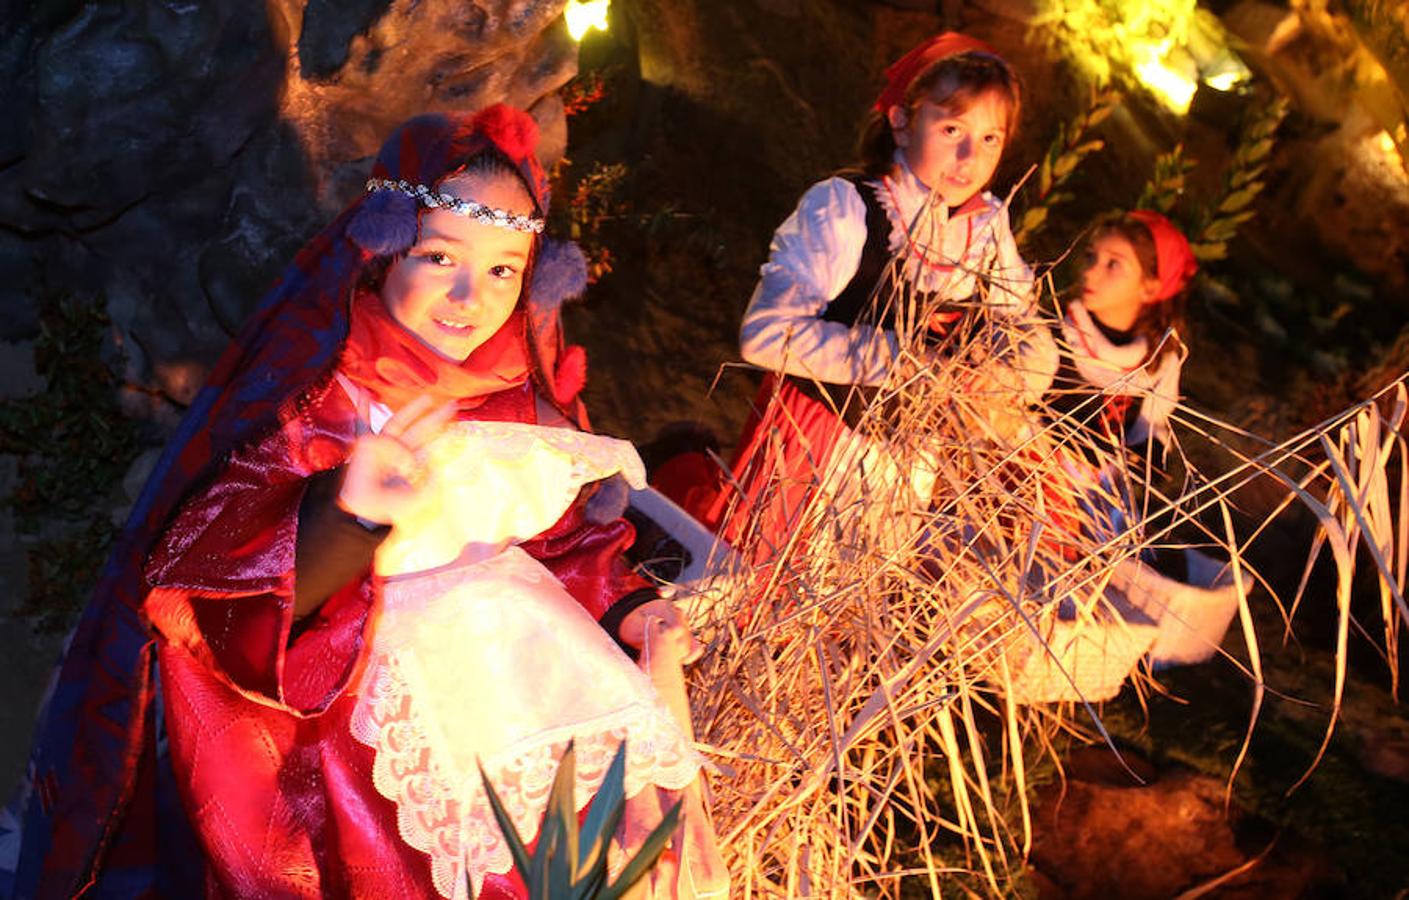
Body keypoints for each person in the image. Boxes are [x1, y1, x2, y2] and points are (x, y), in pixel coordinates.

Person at [13, 105, 725, 899]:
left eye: (503, 271)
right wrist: (347, 515)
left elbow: (560, 542)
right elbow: (216, 595)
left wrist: (626, 604)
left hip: (537, 689)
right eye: (437, 256)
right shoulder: (320, 391)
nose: (469, 296)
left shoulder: (517, 393)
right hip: (366, 728)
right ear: (383, 251)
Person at [694, 32, 1051, 563]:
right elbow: (765, 336)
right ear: (902, 121)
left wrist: (1000, 381)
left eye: (991, 138)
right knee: (760, 595)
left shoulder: (986, 228)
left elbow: (1031, 338)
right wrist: (899, 361)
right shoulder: (844, 207)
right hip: (815, 451)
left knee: (853, 614)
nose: (969, 156)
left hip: (908, 470)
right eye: (951, 127)